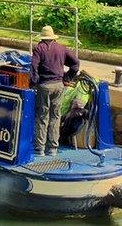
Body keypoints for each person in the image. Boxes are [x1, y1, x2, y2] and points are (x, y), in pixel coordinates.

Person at [30, 25, 79, 157]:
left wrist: (33, 82)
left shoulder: (39, 48)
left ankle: (39, 148)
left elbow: (33, 68)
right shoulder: (62, 48)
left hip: (44, 85)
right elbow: (75, 64)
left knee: (42, 117)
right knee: (55, 117)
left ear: (42, 37)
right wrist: (67, 78)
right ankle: (52, 148)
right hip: (58, 85)